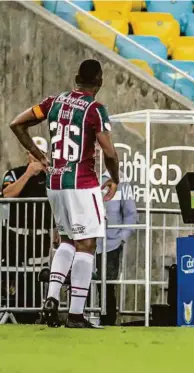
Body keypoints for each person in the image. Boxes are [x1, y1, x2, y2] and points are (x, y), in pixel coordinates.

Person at [9, 59, 120, 329]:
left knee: (67, 241)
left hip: (55, 182)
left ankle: (51, 299)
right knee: (87, 244)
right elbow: (109, 152)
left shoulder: (53, 102)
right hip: (82, 183)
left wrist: (40, 157)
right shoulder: (95, 109)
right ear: (100, 81)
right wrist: (115, 178)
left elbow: (16, 124)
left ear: (75, 78)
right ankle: (75, 314)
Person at [0, 137, 56, 323]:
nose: (35, 157)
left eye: (39, 154)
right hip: (16, 236)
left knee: (35, 277)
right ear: (27, 154)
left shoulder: (52, 177)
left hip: (41, 239)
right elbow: (7, 195)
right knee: (12, 273)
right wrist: (28, 174)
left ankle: (30, 316)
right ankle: (11, 313)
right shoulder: (14, 173)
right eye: (33, 153)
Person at [95, 145, 137, 326]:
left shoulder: (121, 182)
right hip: (85, 241)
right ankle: (79, 317)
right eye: (93, 150)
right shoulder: (81, 179)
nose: (96, 154)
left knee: (108, 286)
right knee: (82, 282)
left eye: (98, 151)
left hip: (110, 243)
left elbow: (130, 213)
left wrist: (122, 238)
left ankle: (108, 322)